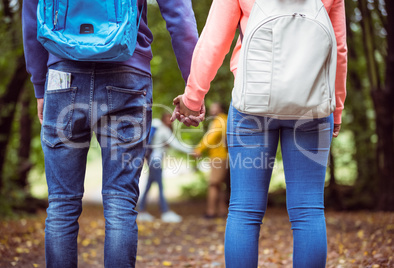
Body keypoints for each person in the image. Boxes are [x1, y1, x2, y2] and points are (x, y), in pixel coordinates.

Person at [22, 0, 198, 267]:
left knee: (61, 205)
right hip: (127, 73)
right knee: (120, 201)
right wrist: (194, 86)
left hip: (63, 73)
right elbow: (179, 13)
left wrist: (39, 85)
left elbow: (32, 13)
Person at [172, 0, 347, 267]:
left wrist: (193, 98)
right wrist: (336, 106)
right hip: (312, 104)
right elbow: (338, 47)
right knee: (309, 211)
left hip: (252, 102)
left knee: (243, 210)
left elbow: (215, 39)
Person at [138, 113, 191, 223]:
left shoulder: (157, 128)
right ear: (163, 119)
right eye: (167, 119)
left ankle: (141, 211)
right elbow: (177, 145)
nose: (169, 121)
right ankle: (165, 212)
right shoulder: (165, 131)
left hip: (152, 161)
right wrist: (192, 151)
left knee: (148, 186)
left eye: (170, 119)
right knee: (161, 187)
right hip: (156, 162)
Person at [193, 103, 228, 218]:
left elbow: (211, 136)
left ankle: (211, 212)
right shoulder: (224, 119)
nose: (212, 111)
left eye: (215, 108)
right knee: (219, 184)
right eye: (211, 108)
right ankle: (223, 211)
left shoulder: (220, 120)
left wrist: (199, 148)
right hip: (222, 156)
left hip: (219, 157)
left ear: (220, 109)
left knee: (213, 184)